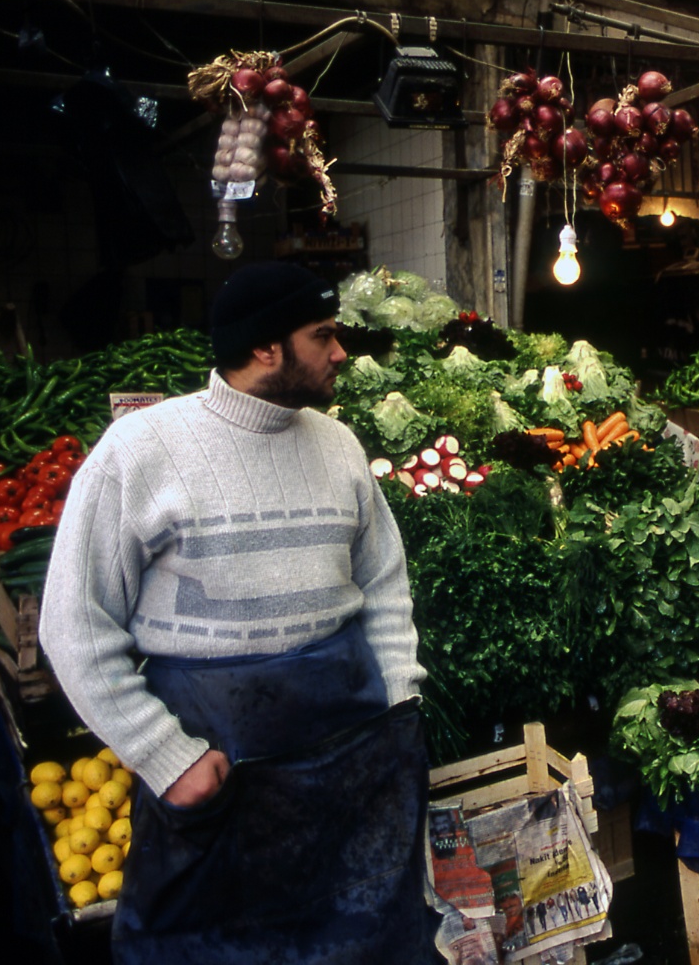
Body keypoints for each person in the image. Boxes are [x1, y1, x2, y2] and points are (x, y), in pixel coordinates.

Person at [40, 261, 439, 964]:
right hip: (218, 780)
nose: (341, 352)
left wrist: (399, 698)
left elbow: (383, 582)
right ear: (266, 349)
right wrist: (169, 760)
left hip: (354, 767)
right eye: (324, 335)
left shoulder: (339, 445)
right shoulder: (138, 454)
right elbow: (73, 627)